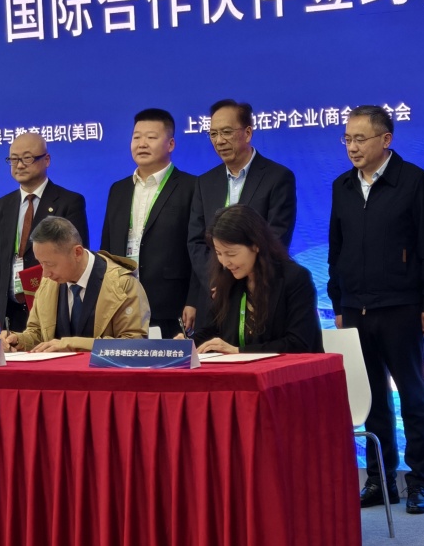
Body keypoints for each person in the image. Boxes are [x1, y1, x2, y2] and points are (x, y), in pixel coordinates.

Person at [328, 105, 424, 515]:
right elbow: (336, 250)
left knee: (413, 397)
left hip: (402, 307)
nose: (352, 147)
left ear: (386, 139)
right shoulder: (342, 186)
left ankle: (420, 481)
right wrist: (339, 302)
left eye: (360, 139)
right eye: (347, 139)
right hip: (355, 309)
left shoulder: (414, 181)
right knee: (371, 400)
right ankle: (379, 479)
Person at [188, 99, 297, 328]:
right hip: (214, 297)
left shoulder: (278, 177)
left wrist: (240, 281)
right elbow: (196, 241)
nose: (219, 141)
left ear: (247, 133)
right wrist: (216, 280)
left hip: (260, 295)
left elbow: (276, 237)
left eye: (227, 132)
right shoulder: (204, 182)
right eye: (213, 134)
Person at [100, 109, 199, 338]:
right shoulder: (118, 189)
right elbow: (106, 249)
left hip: (172, 306)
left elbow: (199, 250)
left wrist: (194, 300)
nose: (142, 144)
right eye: (136, 137)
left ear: (171, 144)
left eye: (151, 137)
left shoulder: (191, 187)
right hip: (123, 304)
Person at [0, 132, 89, 336]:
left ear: (46, 160)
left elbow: (78, 259)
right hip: (12, 309)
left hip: (54, 309)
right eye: (13, 159)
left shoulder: (69, 202)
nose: (19, 165)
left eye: (27, 158)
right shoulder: (2, 205)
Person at [0, 216, 150, 352]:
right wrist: (18, 340)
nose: (45, 273)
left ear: (77, 252)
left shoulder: (123, 284)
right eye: (41, 263)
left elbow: (134, 344)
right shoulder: (48, 283)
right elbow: (37, 335)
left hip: (102, 373)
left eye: (50, 264)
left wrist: (72, 344)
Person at [190, 205, 322, 355]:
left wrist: (239, 351)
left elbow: (299, 343)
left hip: (289, 368)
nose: (225, 263)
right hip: (240, 368)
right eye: (219, 253)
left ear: (256, 245)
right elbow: (212, 331)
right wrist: (186, 345)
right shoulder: (228, 280)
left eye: (231, 254)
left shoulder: (295, 278)